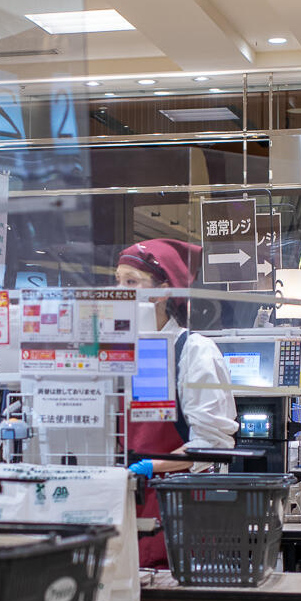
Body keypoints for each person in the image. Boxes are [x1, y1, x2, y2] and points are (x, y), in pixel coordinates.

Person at [116, 239, 238, 569]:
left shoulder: (193, 351)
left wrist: (148, 467)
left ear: (164, 290)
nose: (121, 292)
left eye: (132, 282)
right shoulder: (116, 352)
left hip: (178, 513)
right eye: (118, 282)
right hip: (121, 508)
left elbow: (211, 444)